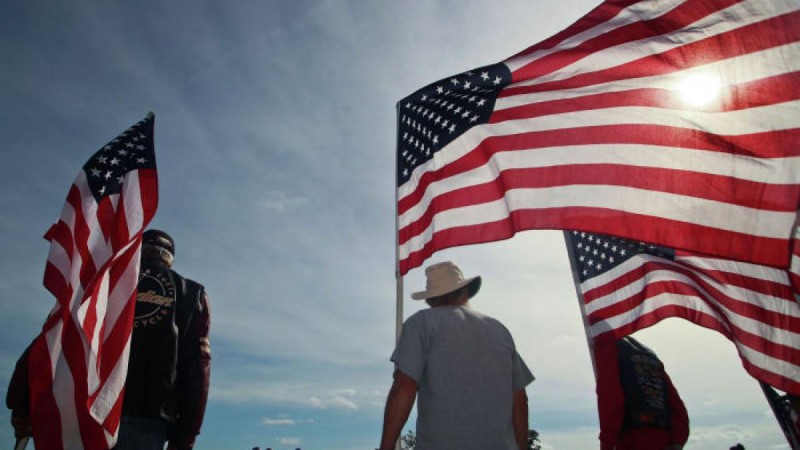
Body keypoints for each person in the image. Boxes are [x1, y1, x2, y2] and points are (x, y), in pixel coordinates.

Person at [379, 261, 535, 450]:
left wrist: (386, 447)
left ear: (430, 299)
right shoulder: (499, 330)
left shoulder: (421, 323)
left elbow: (405, 385)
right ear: (464, 292)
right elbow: (519, 398)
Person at [114, 229, 211, 450]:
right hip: (150, 417)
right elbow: (198, 369)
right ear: (170, 258)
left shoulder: (106, 283)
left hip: (91, 410)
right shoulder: (193, 295)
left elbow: (57, 333)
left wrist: (24, 404)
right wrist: (186, 435)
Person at [594, 335, 689, 450]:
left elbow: (611, 400)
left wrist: (607, 445)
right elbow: (677, 407)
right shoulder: (648, 354)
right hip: (666, 441)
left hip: (632, 441)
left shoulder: (606, 347)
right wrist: (677, 442)